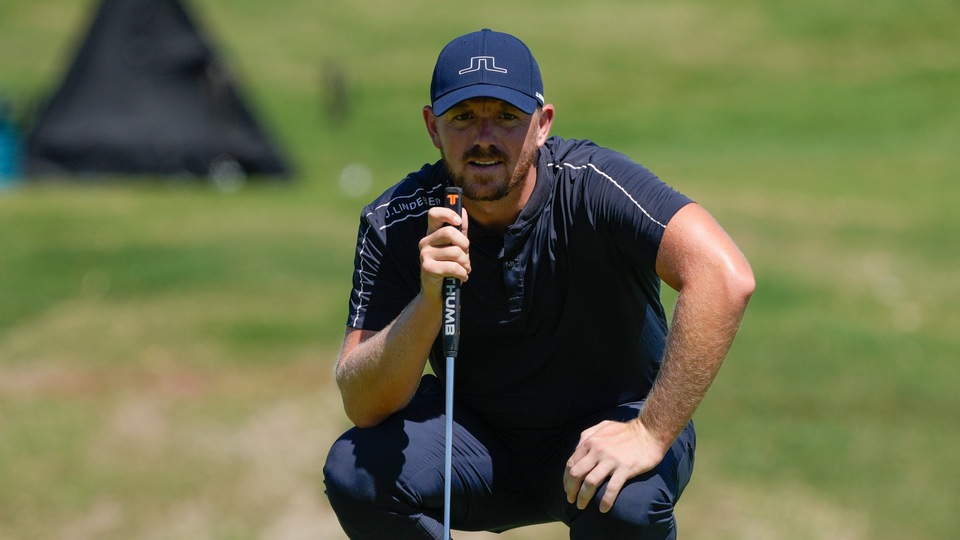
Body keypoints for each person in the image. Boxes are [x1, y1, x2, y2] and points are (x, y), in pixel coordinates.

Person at [323, 28, 754, 539]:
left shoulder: (594, 185)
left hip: (608, 430)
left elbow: (724, 276)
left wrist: (650, 431)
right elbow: (363, 401)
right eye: (463, 117)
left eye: (506, 116)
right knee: (354, 472)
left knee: (627, 502)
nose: (485, 137)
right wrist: (429, 300)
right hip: (476, 446)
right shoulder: (397, 220)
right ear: (432, 127)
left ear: (542, 123)